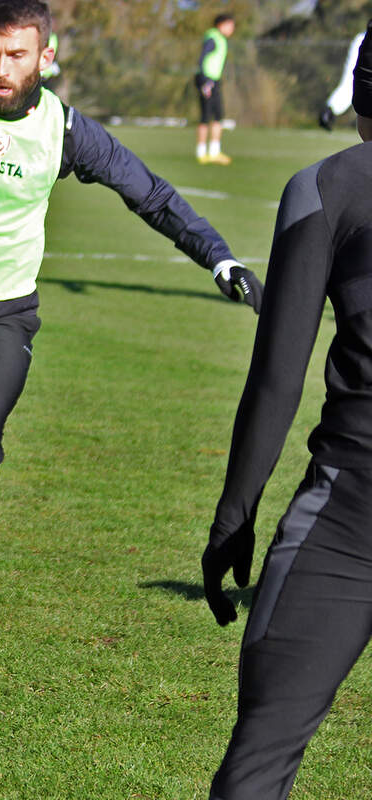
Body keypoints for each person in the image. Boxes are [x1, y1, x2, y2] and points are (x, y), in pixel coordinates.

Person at [0, 0, 263, 646]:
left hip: (3, 314)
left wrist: (219, 257)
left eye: (16, 55)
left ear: (47, 58)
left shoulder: (65, 129)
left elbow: (151, 194)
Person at [202, 22, 372, 800]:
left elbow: (277, 378)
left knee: (260, 763)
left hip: (347, 518)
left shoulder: (328, 185)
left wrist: (234, 513)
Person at [194, 14, 236, 165]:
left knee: (218, 116)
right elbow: (202, 58)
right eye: (230, 25)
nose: (232, 29)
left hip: (215, 81)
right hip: (207, 80)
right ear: (221, 24)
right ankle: (201, 152)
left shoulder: (222, 39)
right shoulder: (212, 37)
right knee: (205, 116)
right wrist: (205, 81)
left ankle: (214, 151)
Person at [318, 29, 365, 131]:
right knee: (351, 84)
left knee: (351, 84)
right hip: (365, 40)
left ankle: (328, 112)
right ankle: (328, 112)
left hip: (364, 39)